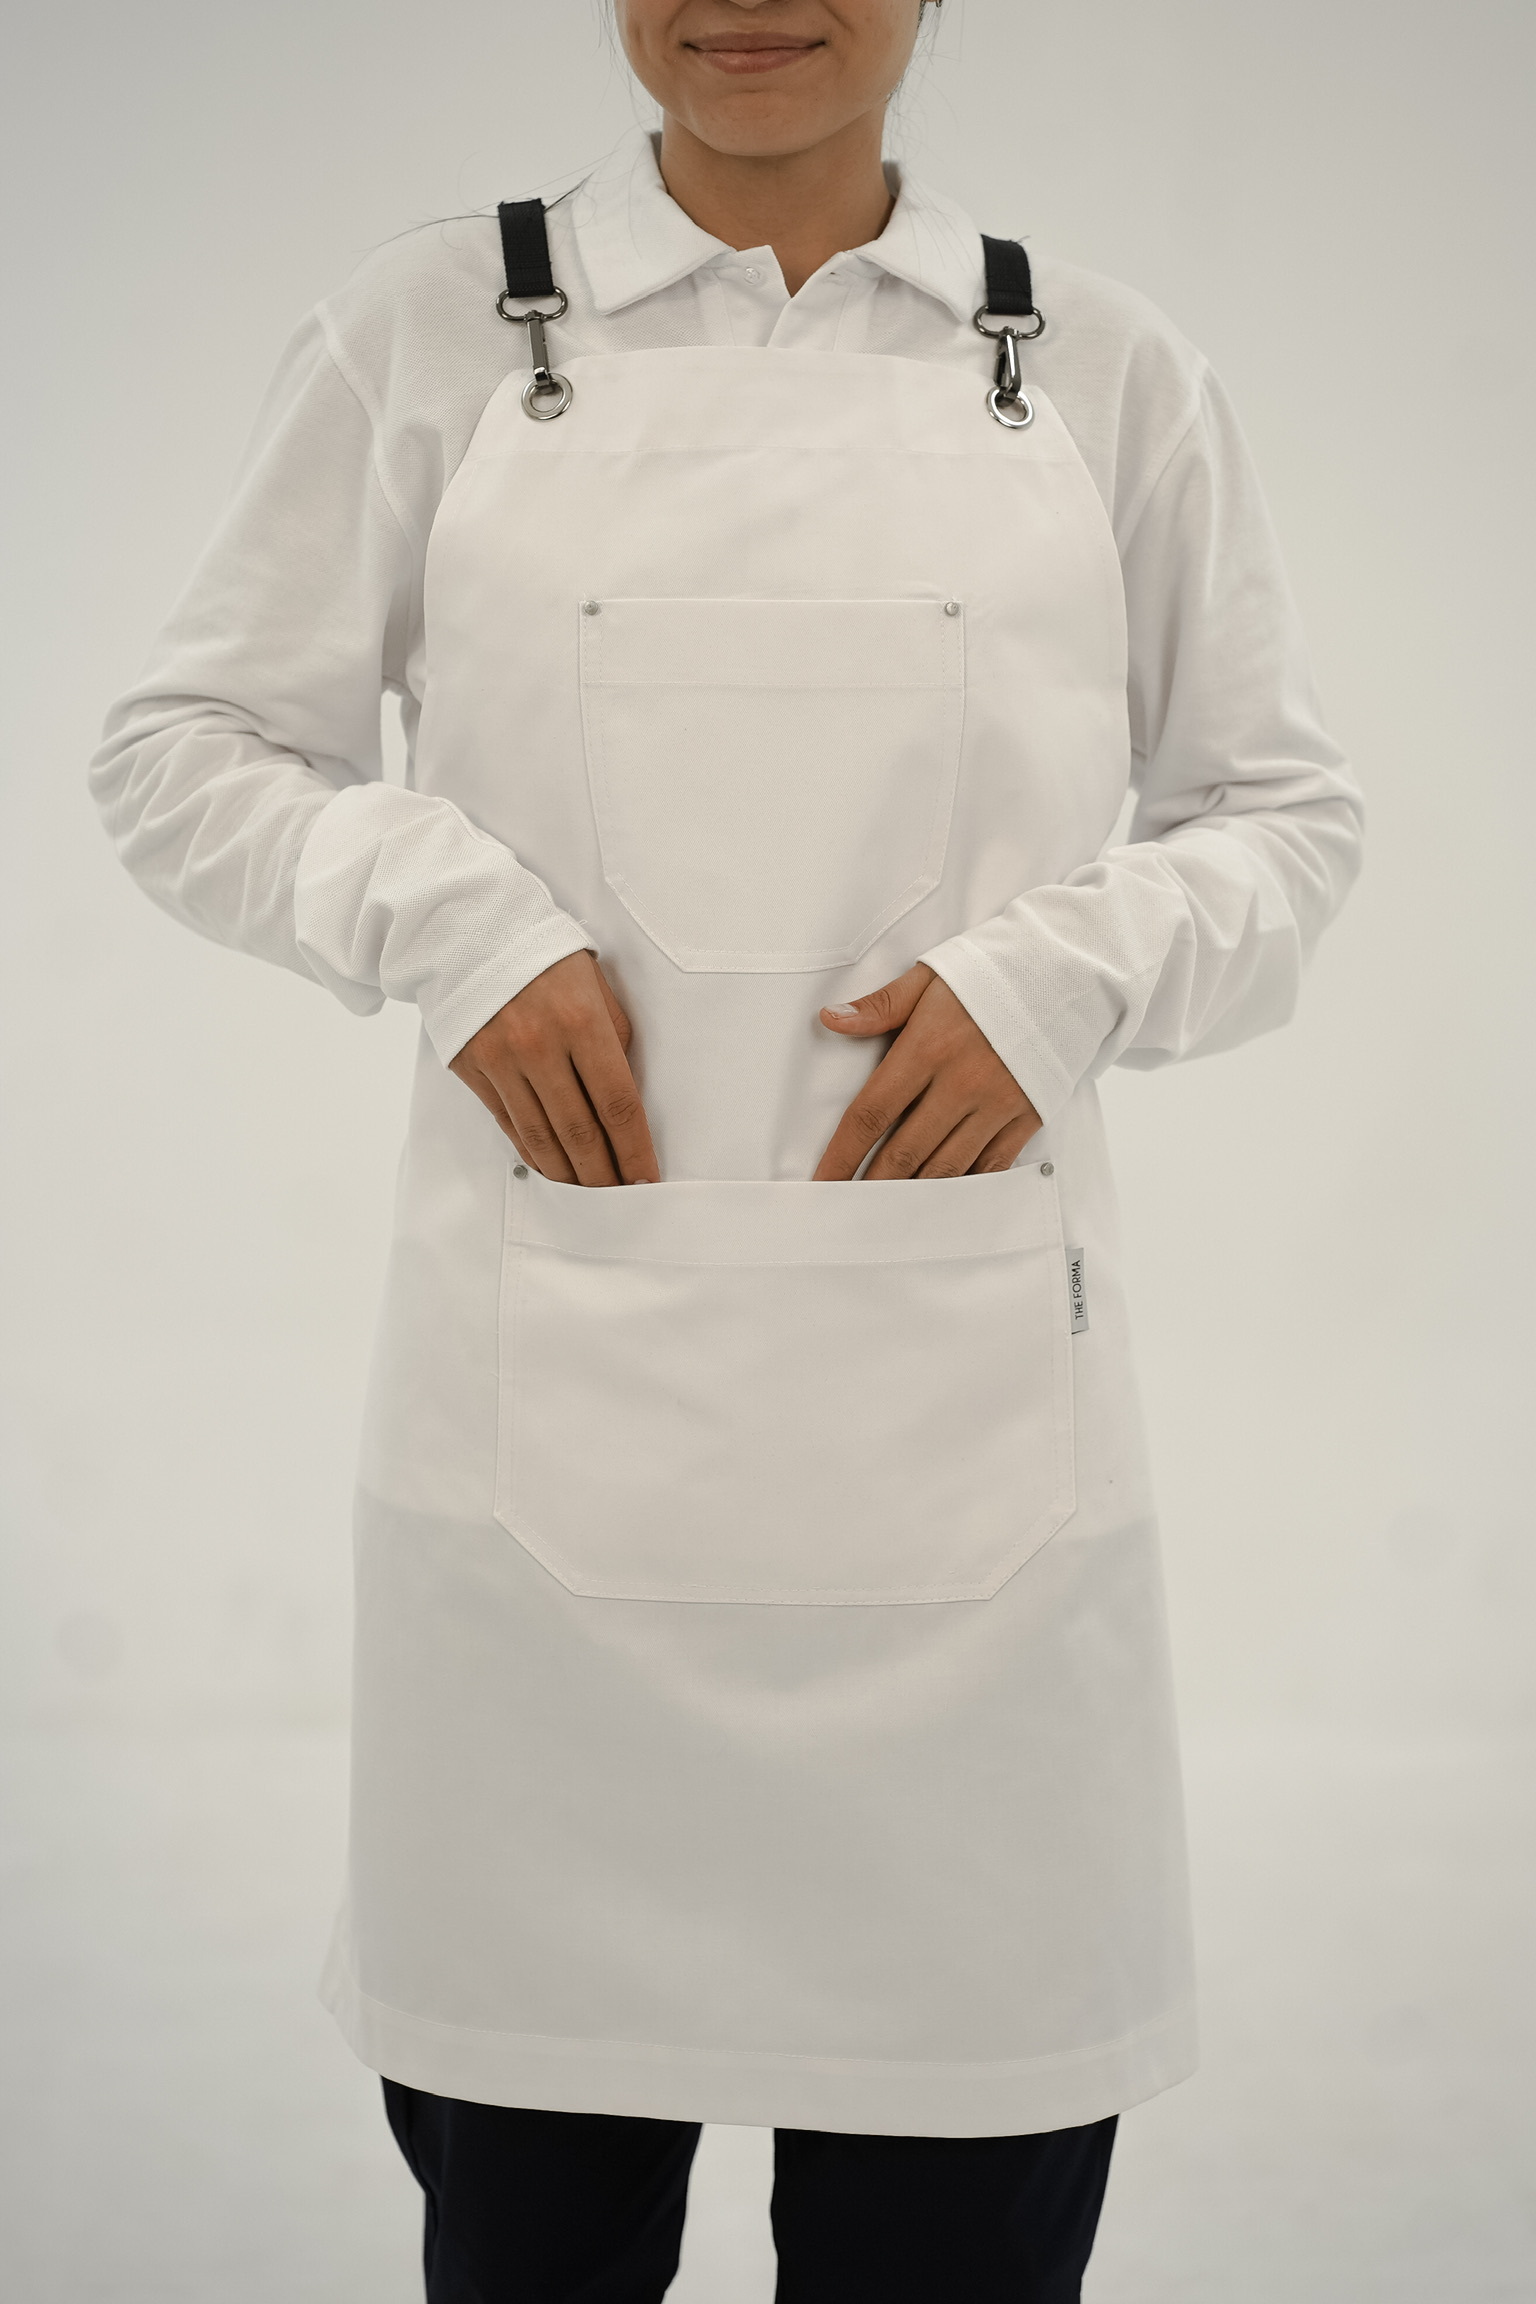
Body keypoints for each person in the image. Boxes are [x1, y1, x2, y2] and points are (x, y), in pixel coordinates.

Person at [90, 2, 1364, 2297]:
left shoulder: (1096, 371)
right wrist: (451, 920)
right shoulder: (434, 335)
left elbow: (1281, 817)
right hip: (541, 1543)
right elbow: (184, 748)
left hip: (976, 1530)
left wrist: (1065, 973)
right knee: (534, 2240)